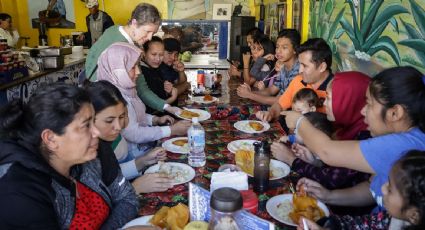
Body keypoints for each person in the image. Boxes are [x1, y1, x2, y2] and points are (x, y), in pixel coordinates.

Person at [283, 66, 425, 211]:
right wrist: (329, 196)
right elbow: (372, 188)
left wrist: (299, 121)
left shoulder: (404, 145)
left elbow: (327, 152)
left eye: (369, 104)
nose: (363, 111)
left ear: (395, 113)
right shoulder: (404, 138)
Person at [0, 83, 139, 228]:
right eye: (86, 125)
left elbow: (127, 198)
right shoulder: (20, 194)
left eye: (93, 121)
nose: (96, 133)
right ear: (51, 139)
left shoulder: (91, 152)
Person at [96, 42, 190, 158]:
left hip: (140, 153)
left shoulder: (128, 89)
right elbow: (133, 133)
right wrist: (171, 130)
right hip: (132, 157)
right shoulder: (112, 97)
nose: (138, 72)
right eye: (132, 67)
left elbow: (135, 115)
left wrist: (155, 119)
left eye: (138, 66)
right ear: (118, 69)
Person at [85, 3, 180, 115]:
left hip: (93, 96)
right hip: (103, 105)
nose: (149, 37)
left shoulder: (114, 30)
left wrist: (165, 106)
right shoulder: (123, 47)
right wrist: (166, 106)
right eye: (147, 31)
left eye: (153, 33)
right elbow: (140, 87)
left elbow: (90, 59)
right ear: (134, 23)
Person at [298, 150, 425, 230]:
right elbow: (358, 225)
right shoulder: (391, 218)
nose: (382, 188)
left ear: (414, 215)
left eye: (390, 189)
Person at [86, 80, 174, 193]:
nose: (118, 127)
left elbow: (113, 174)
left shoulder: (104, 142)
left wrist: (143, 161)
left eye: (122, 117)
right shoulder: (87, 152)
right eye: (109, 121)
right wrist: (135, 188)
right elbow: (97, 202)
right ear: (88, 119)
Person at [256, 38, 333, 121]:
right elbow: (280, 105)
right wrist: (270, 113)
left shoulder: (336, 90)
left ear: (322, 67)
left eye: (305, 66)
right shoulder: (298, 80)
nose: (300, 70)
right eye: (300, 64)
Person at [236, 29, 300, 105]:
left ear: (295, 50)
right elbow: (271, 90)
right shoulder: (284, 67)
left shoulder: (298, 70)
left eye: (284, 47)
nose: (279, 51)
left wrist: (250, 95)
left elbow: (280, 101)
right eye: (277, 47)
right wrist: (249, 92)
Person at [141, 36, 178, 113]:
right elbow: (150, 110)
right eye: (154, 54)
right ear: (143, 53)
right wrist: (173, 97)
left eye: (161, 55)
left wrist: (168, 92)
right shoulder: (142, 72)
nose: (158, 59)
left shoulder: (155, 68)